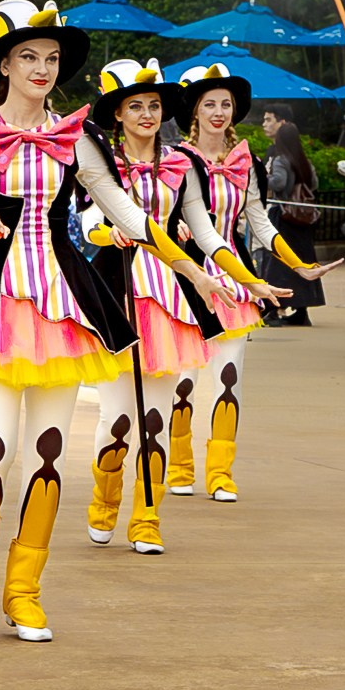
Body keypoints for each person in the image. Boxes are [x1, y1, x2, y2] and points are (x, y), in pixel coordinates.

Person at [0, 8, 193, 635]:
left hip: (64, 301)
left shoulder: (78, 136)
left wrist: (198, 270)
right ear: (3, 65)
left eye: (50, 59)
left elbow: (126, 212)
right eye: (28, 58)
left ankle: (25, 587)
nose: (42, 69)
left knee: (48, 451)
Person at [79, 60, 235, 554]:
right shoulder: (101, 162)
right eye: (135, 107)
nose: (147, 114)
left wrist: (239, 274)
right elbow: (85, 223)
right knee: (118, 418)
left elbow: (205, 228)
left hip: (169, 298)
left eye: (153, 106)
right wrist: (113, 232)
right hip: (116, 293)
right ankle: (104, 498)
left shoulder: (180, 164)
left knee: (156, 418)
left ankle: (147, 516)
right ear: (119, 115)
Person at [173, 63, 330, 500]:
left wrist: (299, 266)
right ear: (195, 111)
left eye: (226, 104)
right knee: (184, 377)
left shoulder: (247, 163)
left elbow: (260, 222)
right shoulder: (175, 161)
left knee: (227, 377)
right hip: (186, 276)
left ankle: (220, 473)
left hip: (236, 278)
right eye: (210, 104)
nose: (219, 112)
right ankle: (180, 465)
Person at [257, 107, 324, 326]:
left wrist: (262, 176)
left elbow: (278, 183)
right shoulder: (303, 159)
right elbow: (313, 183)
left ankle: (275, 309)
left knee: (278, 263)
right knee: (302, 261)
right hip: (302, 218)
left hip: (283, 216)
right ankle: (301, 309)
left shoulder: (280, 158)